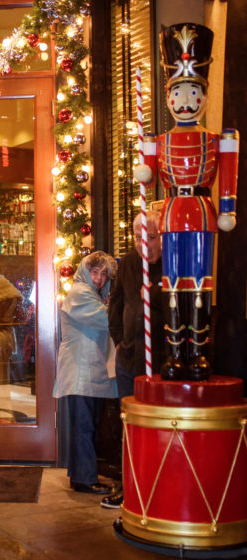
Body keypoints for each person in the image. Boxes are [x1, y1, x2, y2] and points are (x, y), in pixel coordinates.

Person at [134, 23, 239, 381]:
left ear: (203, 97)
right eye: (178, 94)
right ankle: (174, 354)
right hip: (172, 215)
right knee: (172, 285)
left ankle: (199, 354)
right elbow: (147, 172)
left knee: (201, 285)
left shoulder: (216, 139)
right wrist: (144, 169)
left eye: (193, 93)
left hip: (203, 215)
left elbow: (227, 174)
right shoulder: (158, 141)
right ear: (168, 98)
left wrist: (227, 209)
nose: (185, 101)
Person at [101, 210, 164, 509]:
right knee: (130, 427)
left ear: (162, 238)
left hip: (162, 363)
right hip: (130, 359)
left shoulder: (172, 263)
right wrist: (121, 343)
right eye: (140, 238)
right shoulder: (126, 262)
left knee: (160, 428)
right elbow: (115, 308)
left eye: (151, 238)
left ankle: (158, 488)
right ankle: (128, 486)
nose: (145, 245)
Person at [53, 251, 118, 495]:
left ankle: (80, 476)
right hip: (81, 371)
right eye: (95, 272)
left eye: (104, 274)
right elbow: (106, 320)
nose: (99, 278)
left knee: (86, 424)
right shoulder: (81, 292)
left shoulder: (91, 293)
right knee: (85, 426)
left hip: (86, 371)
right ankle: (85, 479)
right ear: (85, 272)